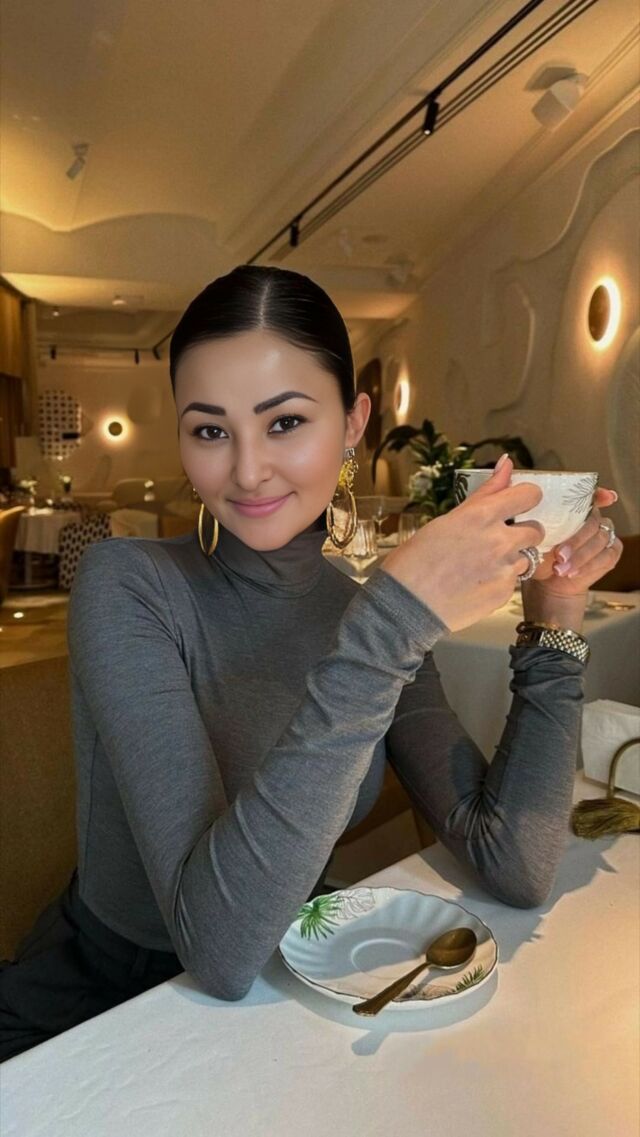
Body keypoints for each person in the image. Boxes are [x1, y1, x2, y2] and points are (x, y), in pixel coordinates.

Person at [0, 264, 622, 1061]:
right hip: (109, 1009)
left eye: (286, 421)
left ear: (354, 422)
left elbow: (515, 859)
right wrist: (393, 622)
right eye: (210, 430)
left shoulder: (362, 609)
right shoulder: (129, 582)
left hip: (299, 986)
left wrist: (554, 623)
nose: (248, 469)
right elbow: (215, 946)